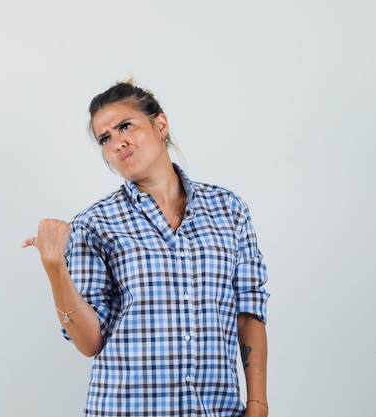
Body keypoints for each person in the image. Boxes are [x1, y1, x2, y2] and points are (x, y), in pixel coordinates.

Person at [22, 80, 270, 417]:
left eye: (125, 126)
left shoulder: (229, 210)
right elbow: (89, 342)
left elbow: (248, 312)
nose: (117, 142)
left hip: (218, 410)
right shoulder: (95, 223)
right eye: (105, 138)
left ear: (160, 125)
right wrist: (55, 268)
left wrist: (257, 404)